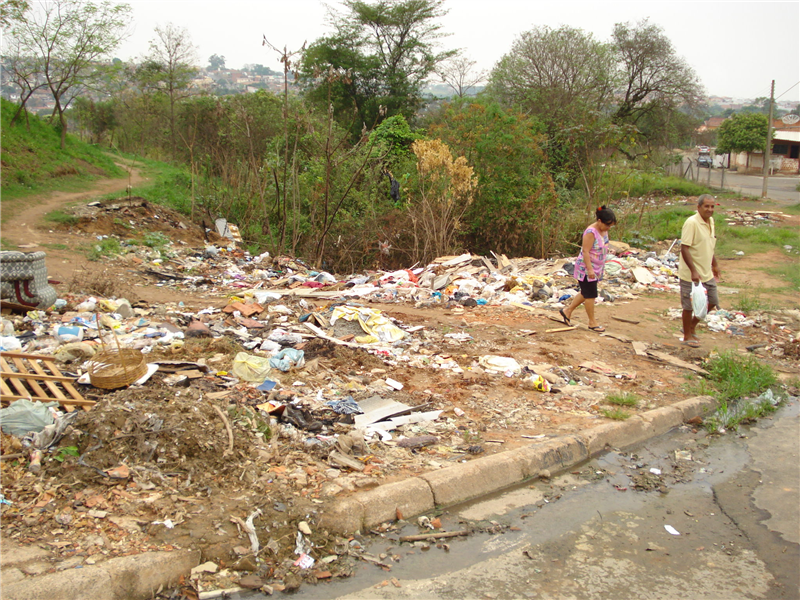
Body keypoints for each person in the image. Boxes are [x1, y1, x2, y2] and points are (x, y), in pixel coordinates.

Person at [560, 206, 616, 332]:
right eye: (607, 225)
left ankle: (567, 310)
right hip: (586, 268)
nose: (608, 228)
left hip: (597, 267)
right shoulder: (591, 232)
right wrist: (590, 270)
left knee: (586, 293)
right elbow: (585, 251)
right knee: (591, 295)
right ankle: (592, 322)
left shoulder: (604, 230)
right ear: (600, 221)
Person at [678, 194, 720, 347]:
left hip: (706, 272)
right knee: (688, 306)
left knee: (713, 301)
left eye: (712, 206)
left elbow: (709, 245)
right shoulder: (692, 223)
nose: (710, 209)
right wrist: (693, 271)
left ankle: (691, 326)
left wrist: (714, 264)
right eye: (706, 206)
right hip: (691, 274)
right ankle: (687, 335)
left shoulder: (710, 222)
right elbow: (684, 248)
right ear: (699, 207)